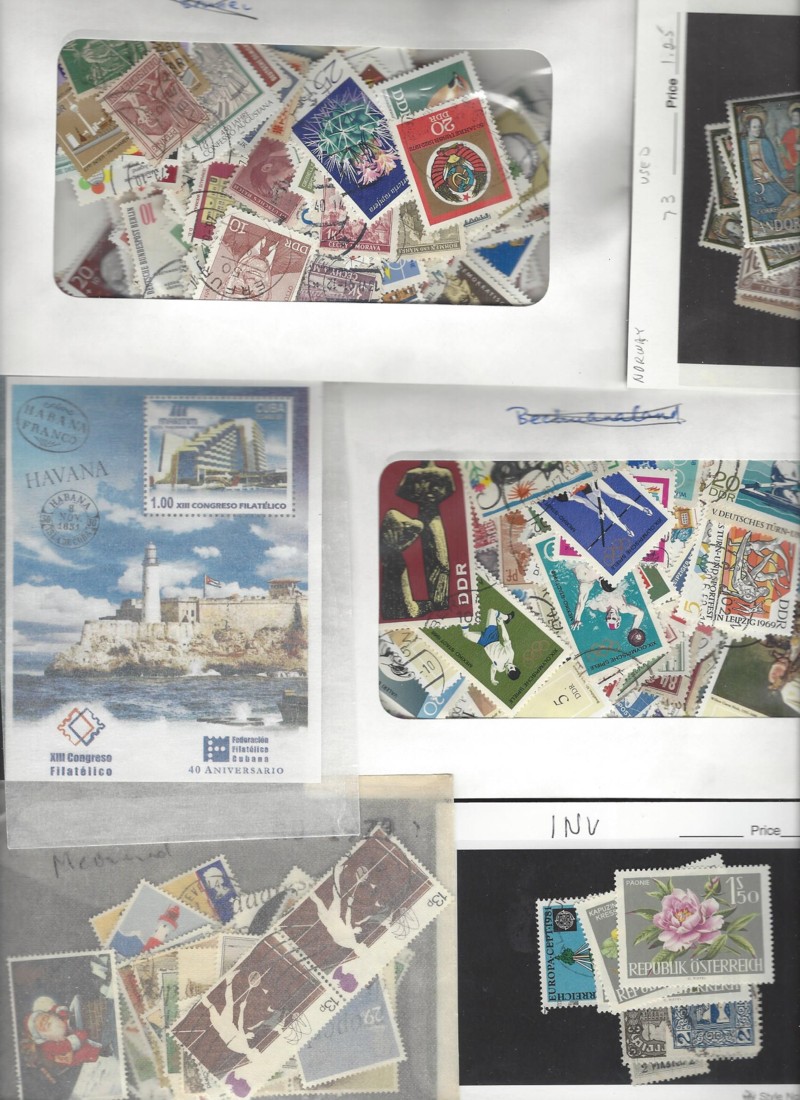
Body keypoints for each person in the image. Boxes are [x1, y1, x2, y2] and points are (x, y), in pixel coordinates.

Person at [24, 997, 109, 1067]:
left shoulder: (54, 1018)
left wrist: (62, 1012)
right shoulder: (47, 1046)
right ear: (41, 1034)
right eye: (41, 1025)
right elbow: (63, 1047)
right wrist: (78, 1037)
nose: (45, 1022)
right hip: (71, 1051)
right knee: (84, 1051)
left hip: (72, 1030)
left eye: (44, 1018)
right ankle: (101, 1050)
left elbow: (57, 1011)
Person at [739, 111, 791, 223]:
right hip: (751, 181)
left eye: (759, 127)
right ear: (748, 127)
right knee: (757, 202)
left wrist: (770, 174)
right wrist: (758, 175)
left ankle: (776, 221)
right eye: (754, 127)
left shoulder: (765, 143)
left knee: (777, 198)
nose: (757, 129)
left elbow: (773, 163)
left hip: (768, 179)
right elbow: (744, 166)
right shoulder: (742, 144)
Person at [461, 607, 520, 685]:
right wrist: (502, 624)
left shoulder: (500, 669)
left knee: (466, 634)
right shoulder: (510, 654)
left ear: (506, 673)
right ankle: (506, 618)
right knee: (492, 611)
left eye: (507, 671)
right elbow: (506, 638)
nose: (508, 668)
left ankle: (462, 615)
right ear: (515, 666)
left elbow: (493, 668)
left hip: (484, 642)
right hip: (492, 637)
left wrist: (492, 679)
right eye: (511, 668)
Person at [780, 103, 800, 193]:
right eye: (793, 116)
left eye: (797, 116)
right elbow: (783, 150)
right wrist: (781, 147)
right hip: (795, 167)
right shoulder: (789, 133)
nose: (794, 118)